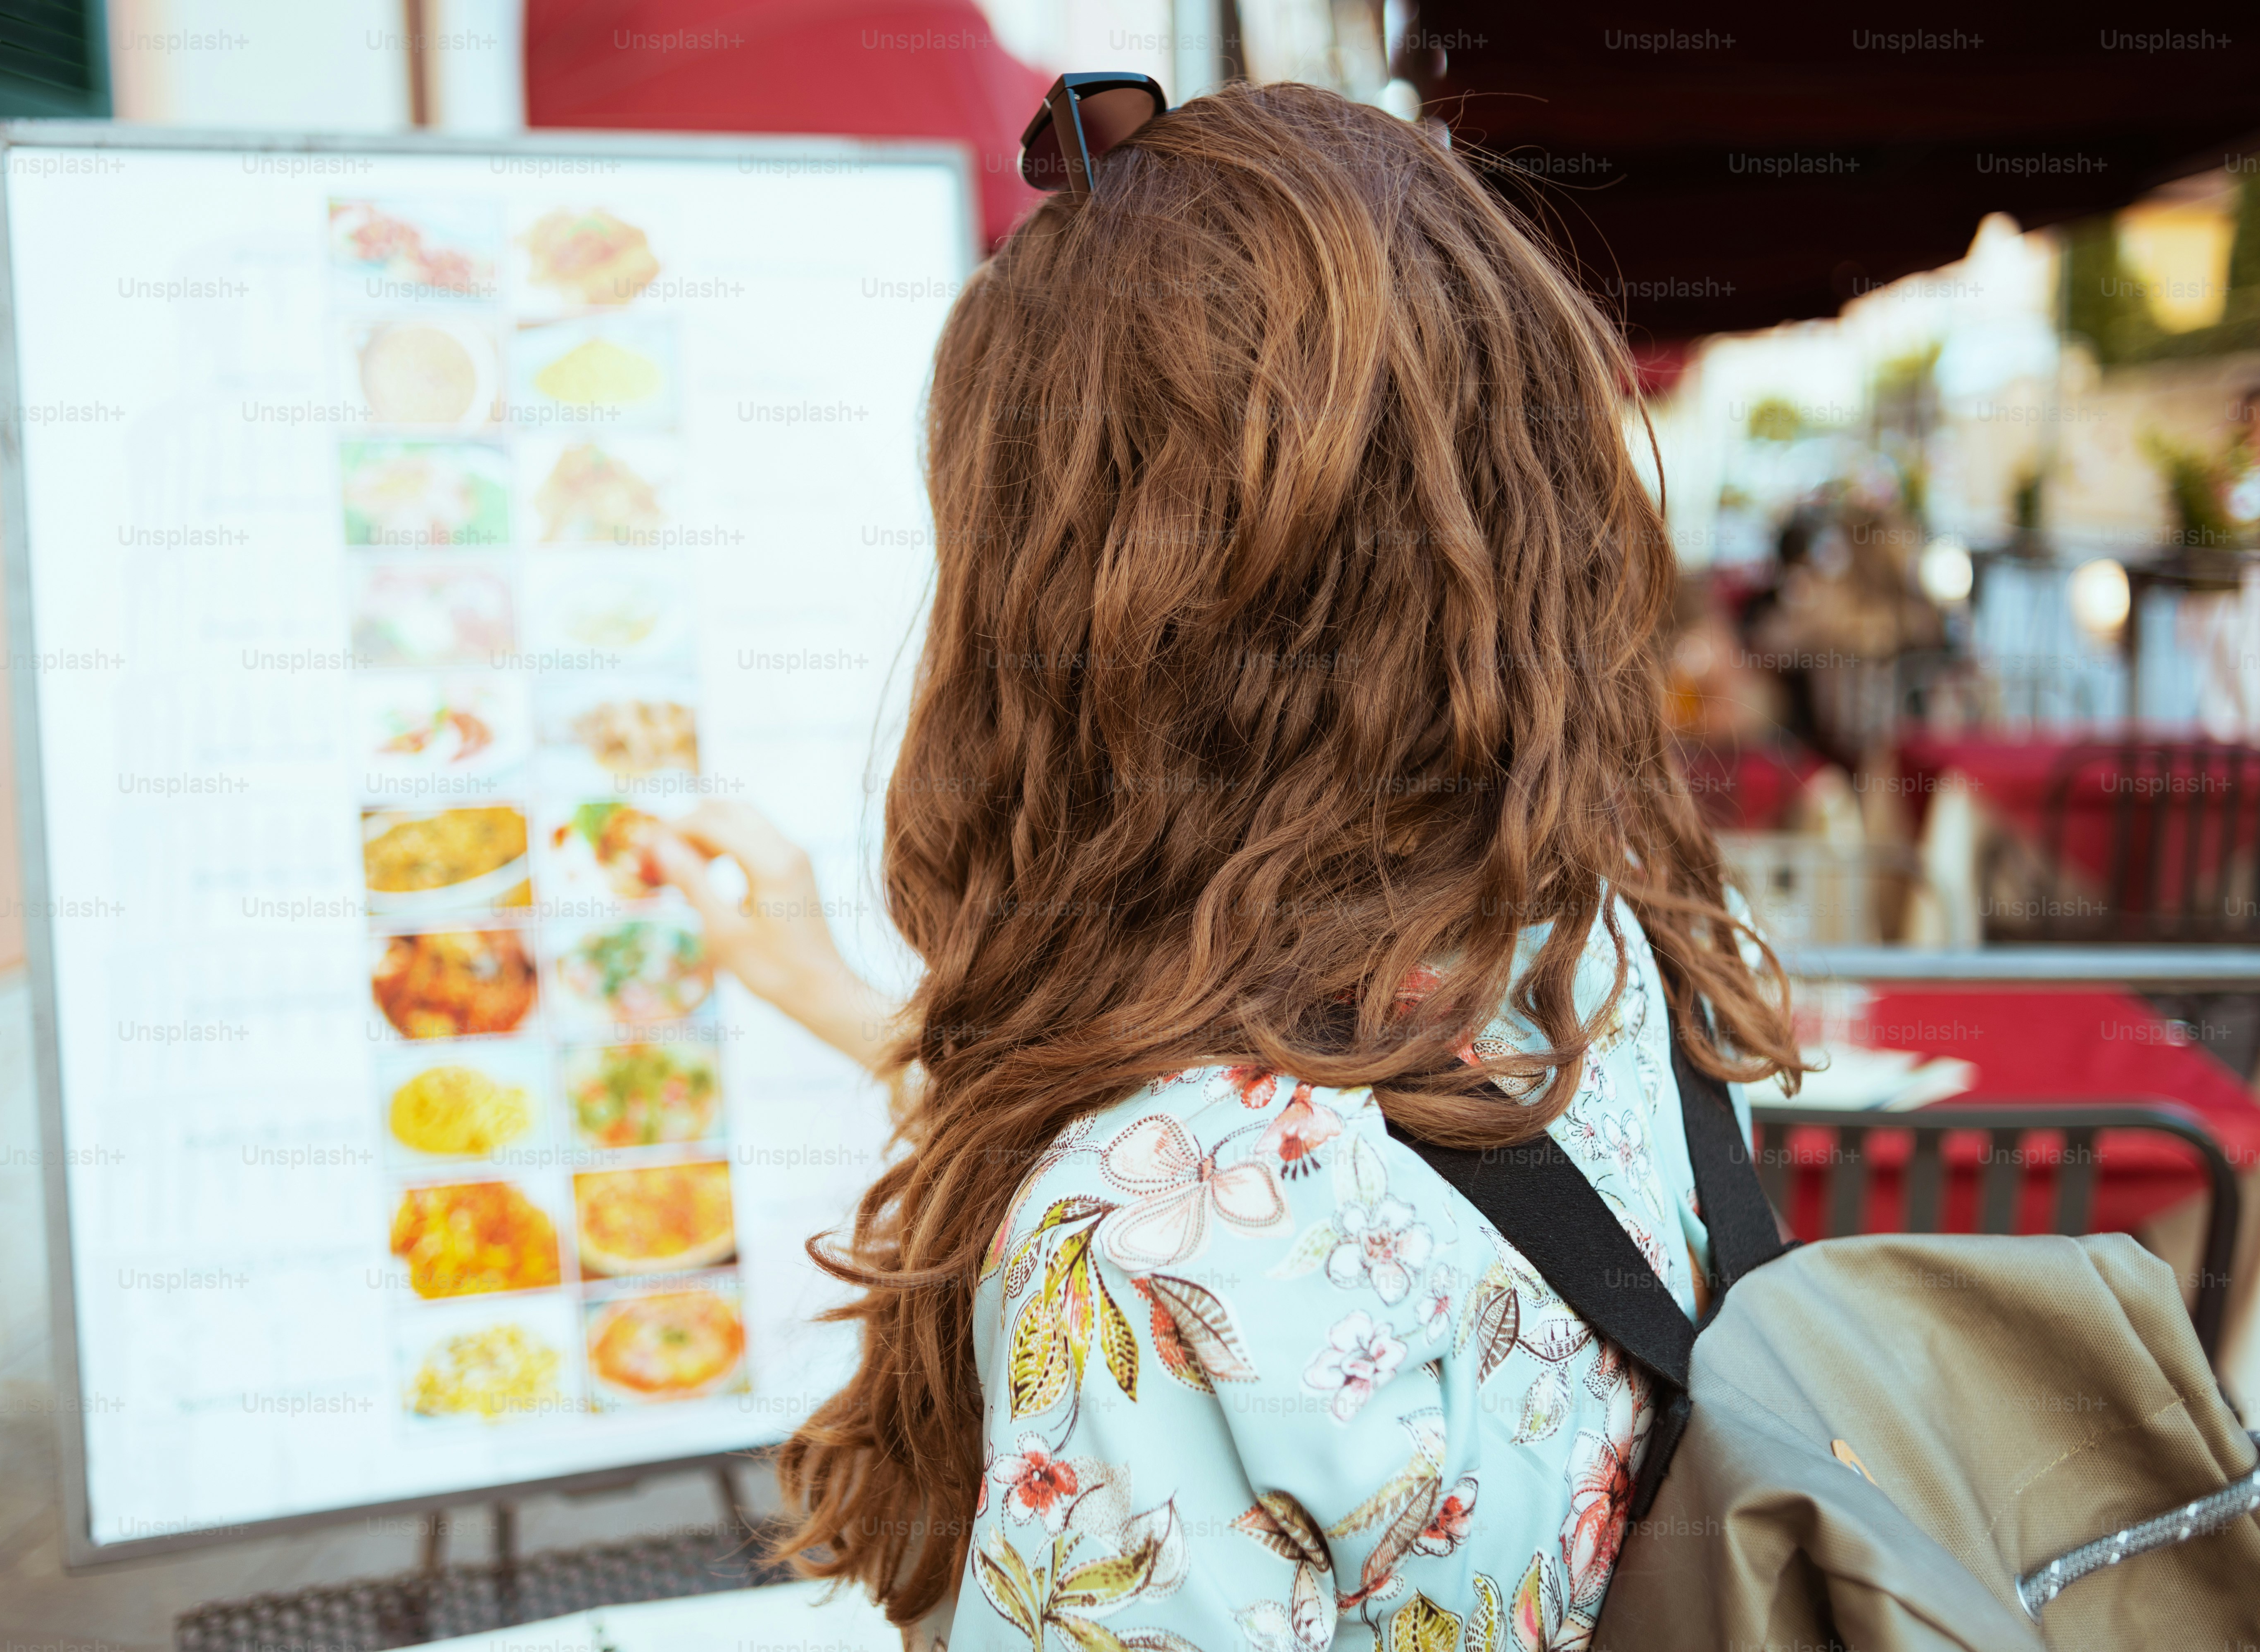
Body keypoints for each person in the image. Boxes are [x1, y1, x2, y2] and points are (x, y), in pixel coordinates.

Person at [638, 79, 1803, 1652]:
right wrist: (843, 1001)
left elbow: (1226, 1204)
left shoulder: (1146, 1256)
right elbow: (1331, 1174)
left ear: (1059, 595)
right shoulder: (1606, 923)